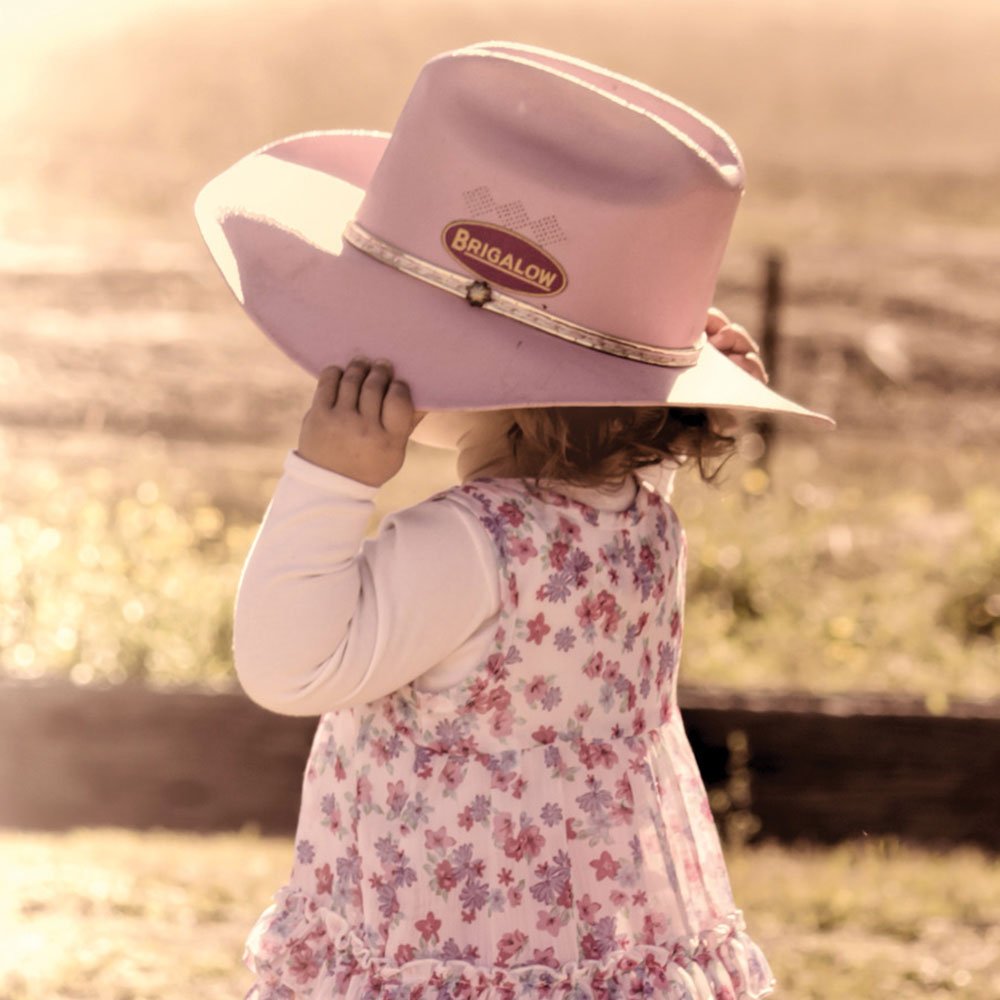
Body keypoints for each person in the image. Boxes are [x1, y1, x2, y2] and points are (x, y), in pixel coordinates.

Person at [196, 41, 831, 1000]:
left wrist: (329, 482)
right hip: (591, 954)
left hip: (442, 958)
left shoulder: (467, 546)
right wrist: (659, 376)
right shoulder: (638, 528)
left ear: (490, 381)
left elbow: (289, 666)